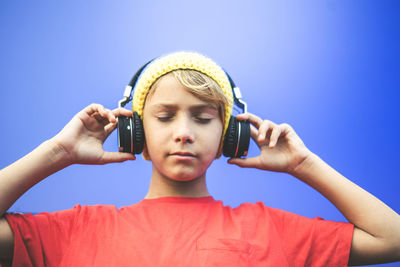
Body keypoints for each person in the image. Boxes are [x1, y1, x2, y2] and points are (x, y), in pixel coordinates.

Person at [0, 51, 399, 266]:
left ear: (229, 134)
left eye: (204, 117)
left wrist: (304, 165)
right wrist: (57, 152)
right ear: (134, 131)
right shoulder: (76, 231)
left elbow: (393, 240)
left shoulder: (269, 229)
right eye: (165, 115)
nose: (184, 131)